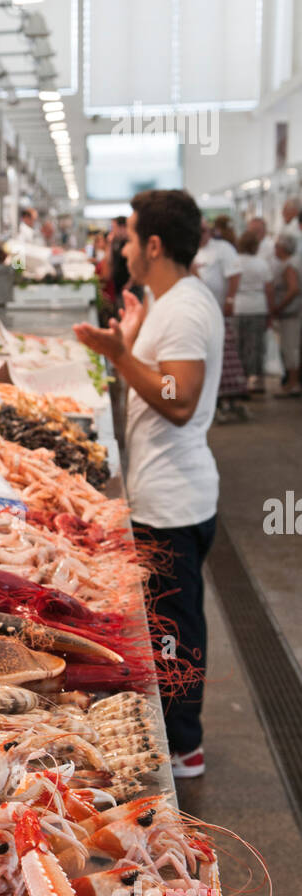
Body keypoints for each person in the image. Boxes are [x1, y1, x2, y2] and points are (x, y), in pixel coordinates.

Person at [72, 189, 223, 779]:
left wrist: (118, 355)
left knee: (176, 630)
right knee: (172, 622)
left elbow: (177, 397)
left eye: (130, 237)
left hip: (175, 502)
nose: (124, 248)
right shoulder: (170, 300)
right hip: (168, 492)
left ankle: (184, 745)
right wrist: (130, 342)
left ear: (154, 245)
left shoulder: (186, 307)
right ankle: (178, 733)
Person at [193, 218, 247, 422]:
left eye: (205, 231)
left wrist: (230, 299)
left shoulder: (222, 249)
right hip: (200, 315)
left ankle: (225, 398)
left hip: (217, 313)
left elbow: (234, 275)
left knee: (222, 357)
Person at [234, 228, 271, 393]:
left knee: (238, 343)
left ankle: (239, 377)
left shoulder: (235, 262)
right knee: (255, 345)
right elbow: (269, 288)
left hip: (239, 305)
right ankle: (255, 379)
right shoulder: (261, 263)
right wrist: (271, 310)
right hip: (257, 305)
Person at [268, 234, 301, 397]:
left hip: (291, 314)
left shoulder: (289, 265)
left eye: (276, 246)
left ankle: (293, 382)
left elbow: (293, 288)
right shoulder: (293, 262)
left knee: (290, 347)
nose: (274, 249)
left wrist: (278, 307)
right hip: (293, 312)